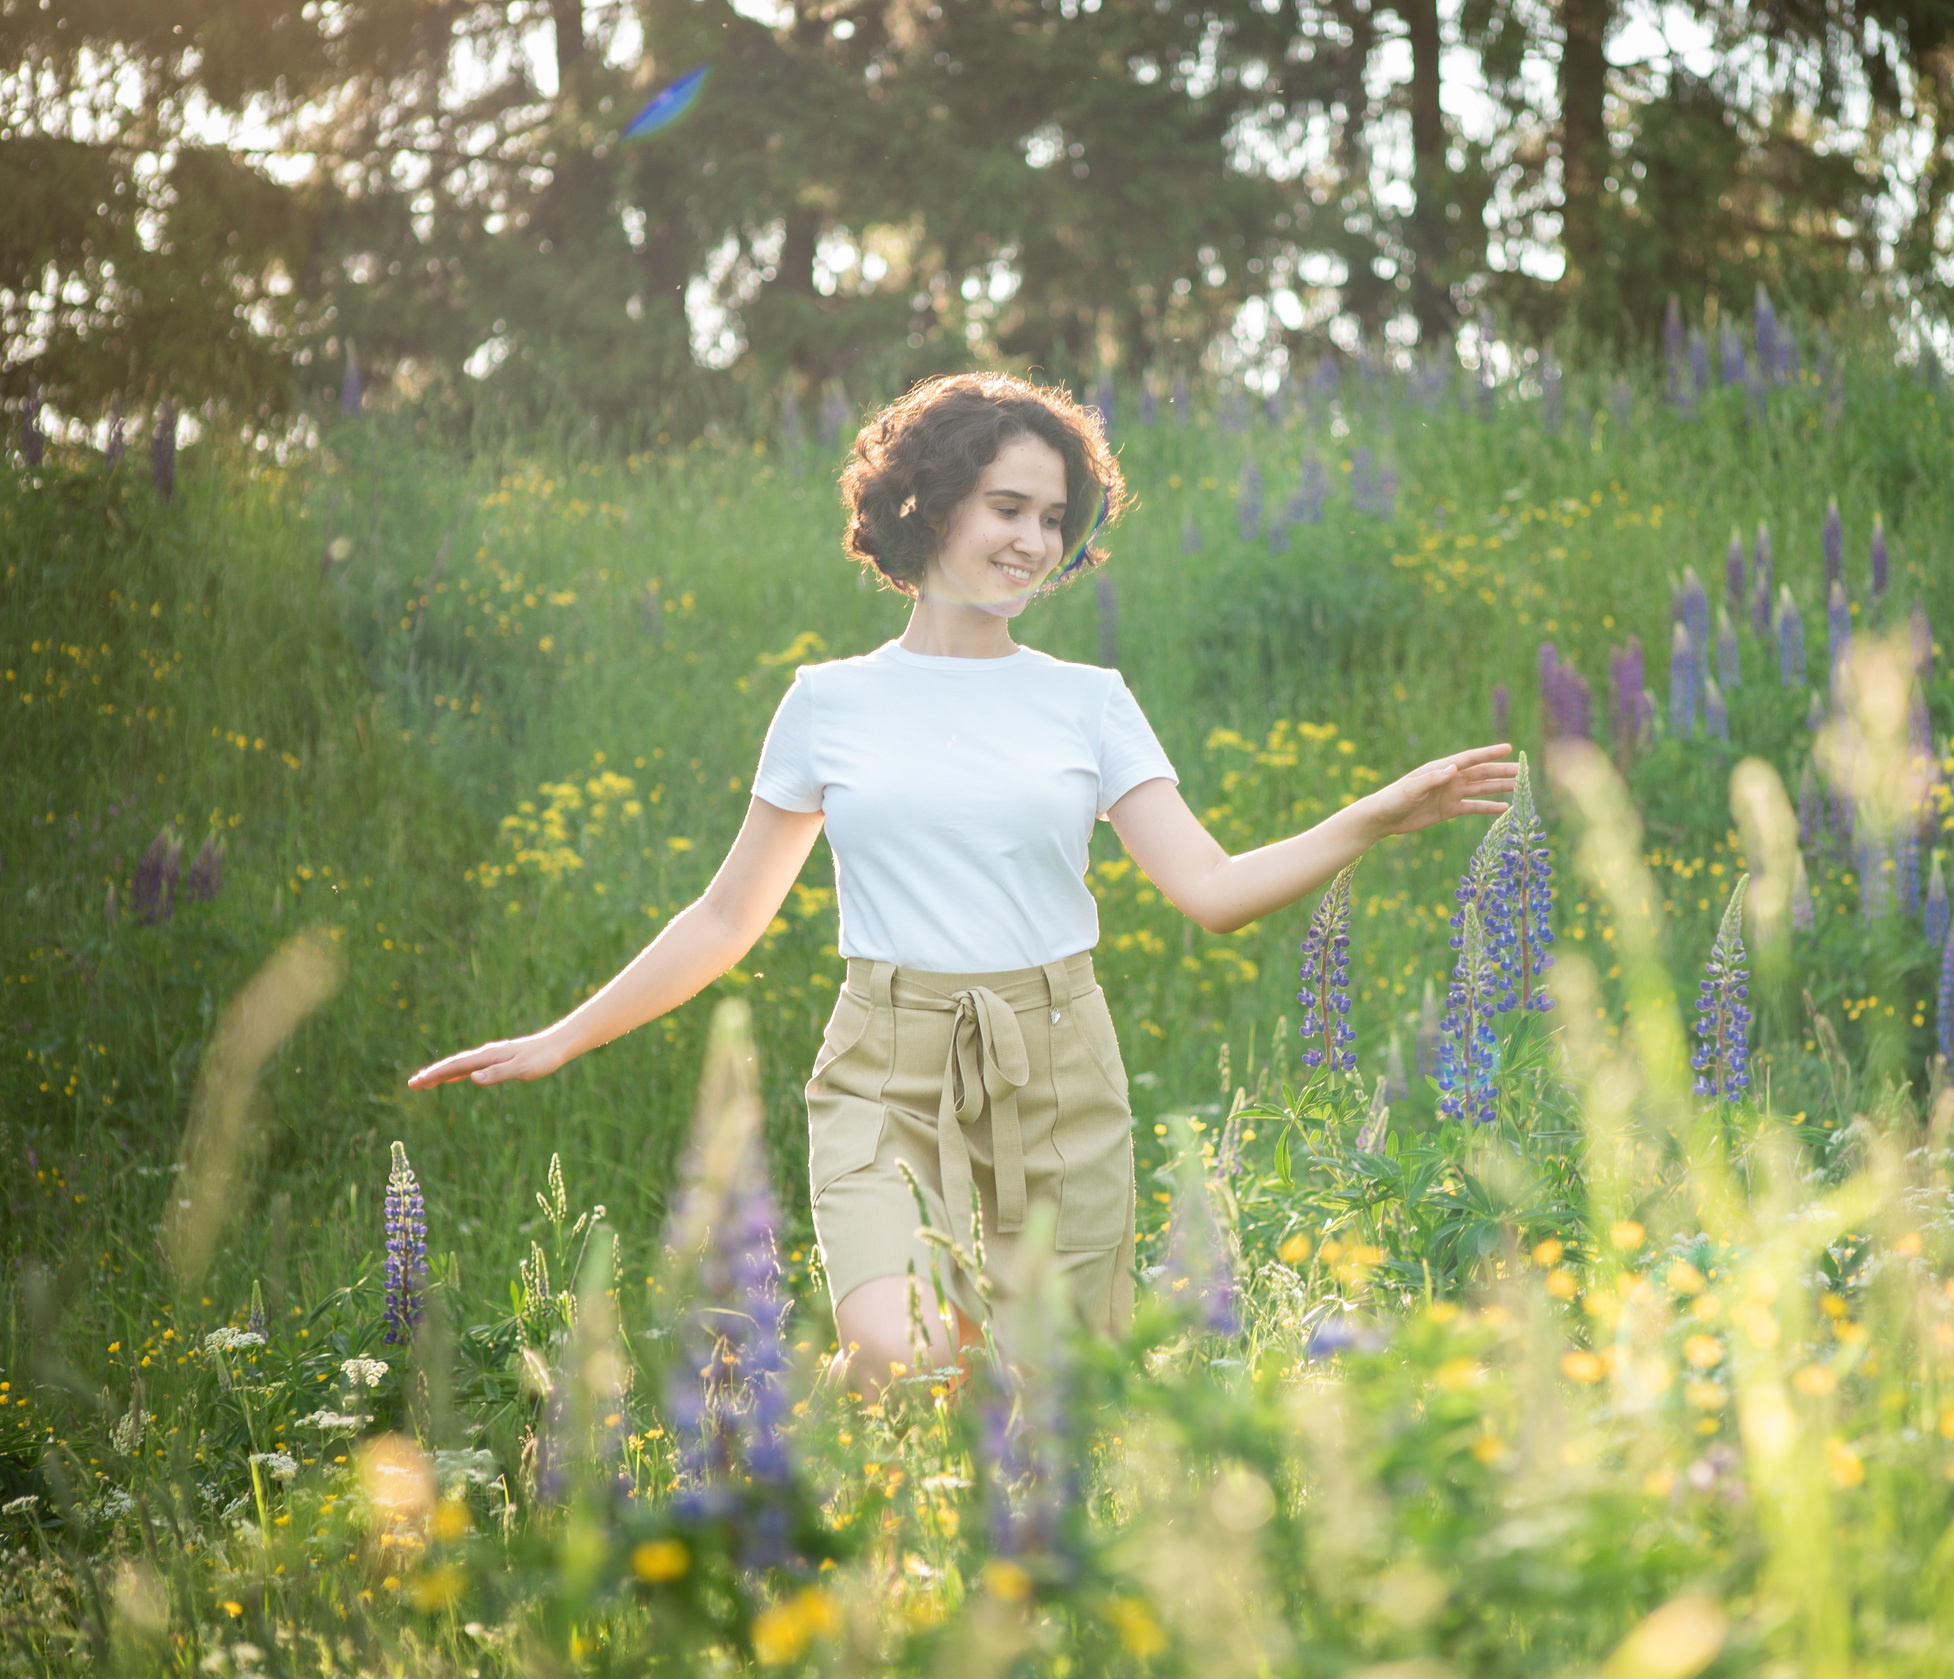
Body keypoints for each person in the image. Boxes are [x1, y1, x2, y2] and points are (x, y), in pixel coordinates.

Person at [409, 372, 1515, 1393]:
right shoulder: (828, 702)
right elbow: (725, 915)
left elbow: (1211, 888)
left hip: (1058, 1053)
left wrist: (1377, 815)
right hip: (884, 1059)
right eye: (1007, 508)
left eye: (1053, 518)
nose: (1034, 541)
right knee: (901, 1351)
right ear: (928, 505)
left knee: (1055, 1391)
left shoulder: (1089, 701)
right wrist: (561, 1037)